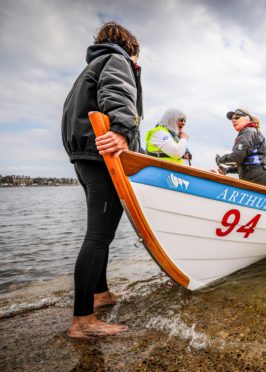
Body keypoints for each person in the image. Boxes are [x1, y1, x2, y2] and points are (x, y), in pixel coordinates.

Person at [61, 22, 142, 339]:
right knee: (98, 234)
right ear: (130, 46)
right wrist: (122, 131)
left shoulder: (88, 69)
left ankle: (101, 293)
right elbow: (118, 93)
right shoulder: (117, 59)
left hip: (84, 156)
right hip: (101, 155)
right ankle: (82, 320)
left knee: (101, 232)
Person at [215, 108, 266, 187]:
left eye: (237, 118)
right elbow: (245, 162)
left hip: (257, 179)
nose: (233, 120)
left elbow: (236, 157)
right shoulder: (252, 131)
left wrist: (220, 159)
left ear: (247, 119)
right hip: (261, 176)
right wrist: (227, 170)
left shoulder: (248, 132)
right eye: (232, 119)